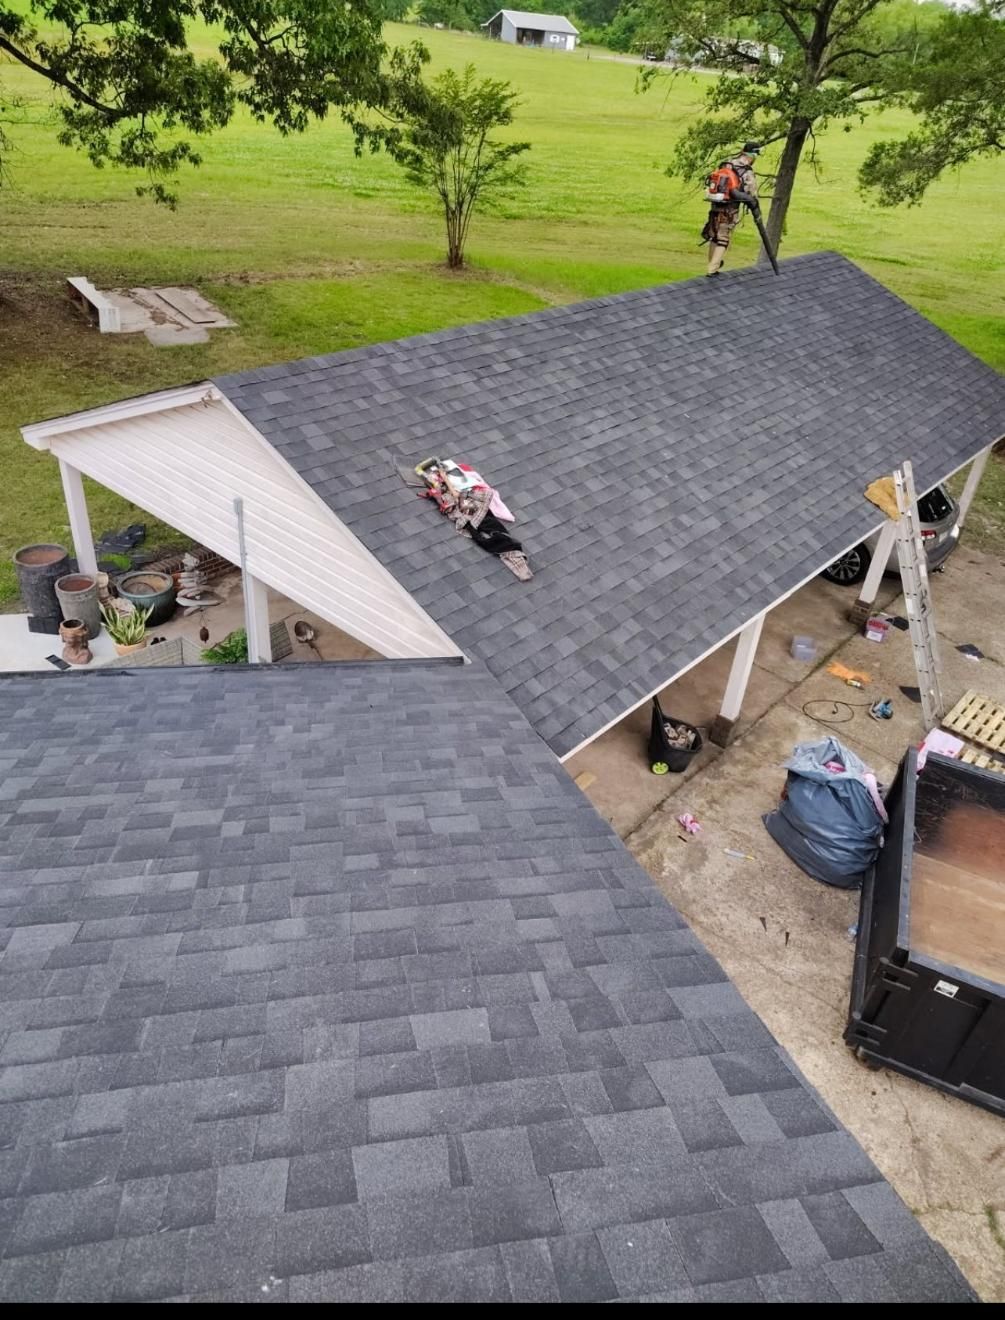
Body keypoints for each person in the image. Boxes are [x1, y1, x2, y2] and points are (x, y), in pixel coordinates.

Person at [702, 142, 761, 277]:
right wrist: (754, 203)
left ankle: (712, 264)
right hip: (730, 209)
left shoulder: (727, 164)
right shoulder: (747, 171)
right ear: (753, 155)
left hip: (716, 205)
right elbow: (752, 193)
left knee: (714, 235)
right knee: (723, 238)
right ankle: (712, 269)